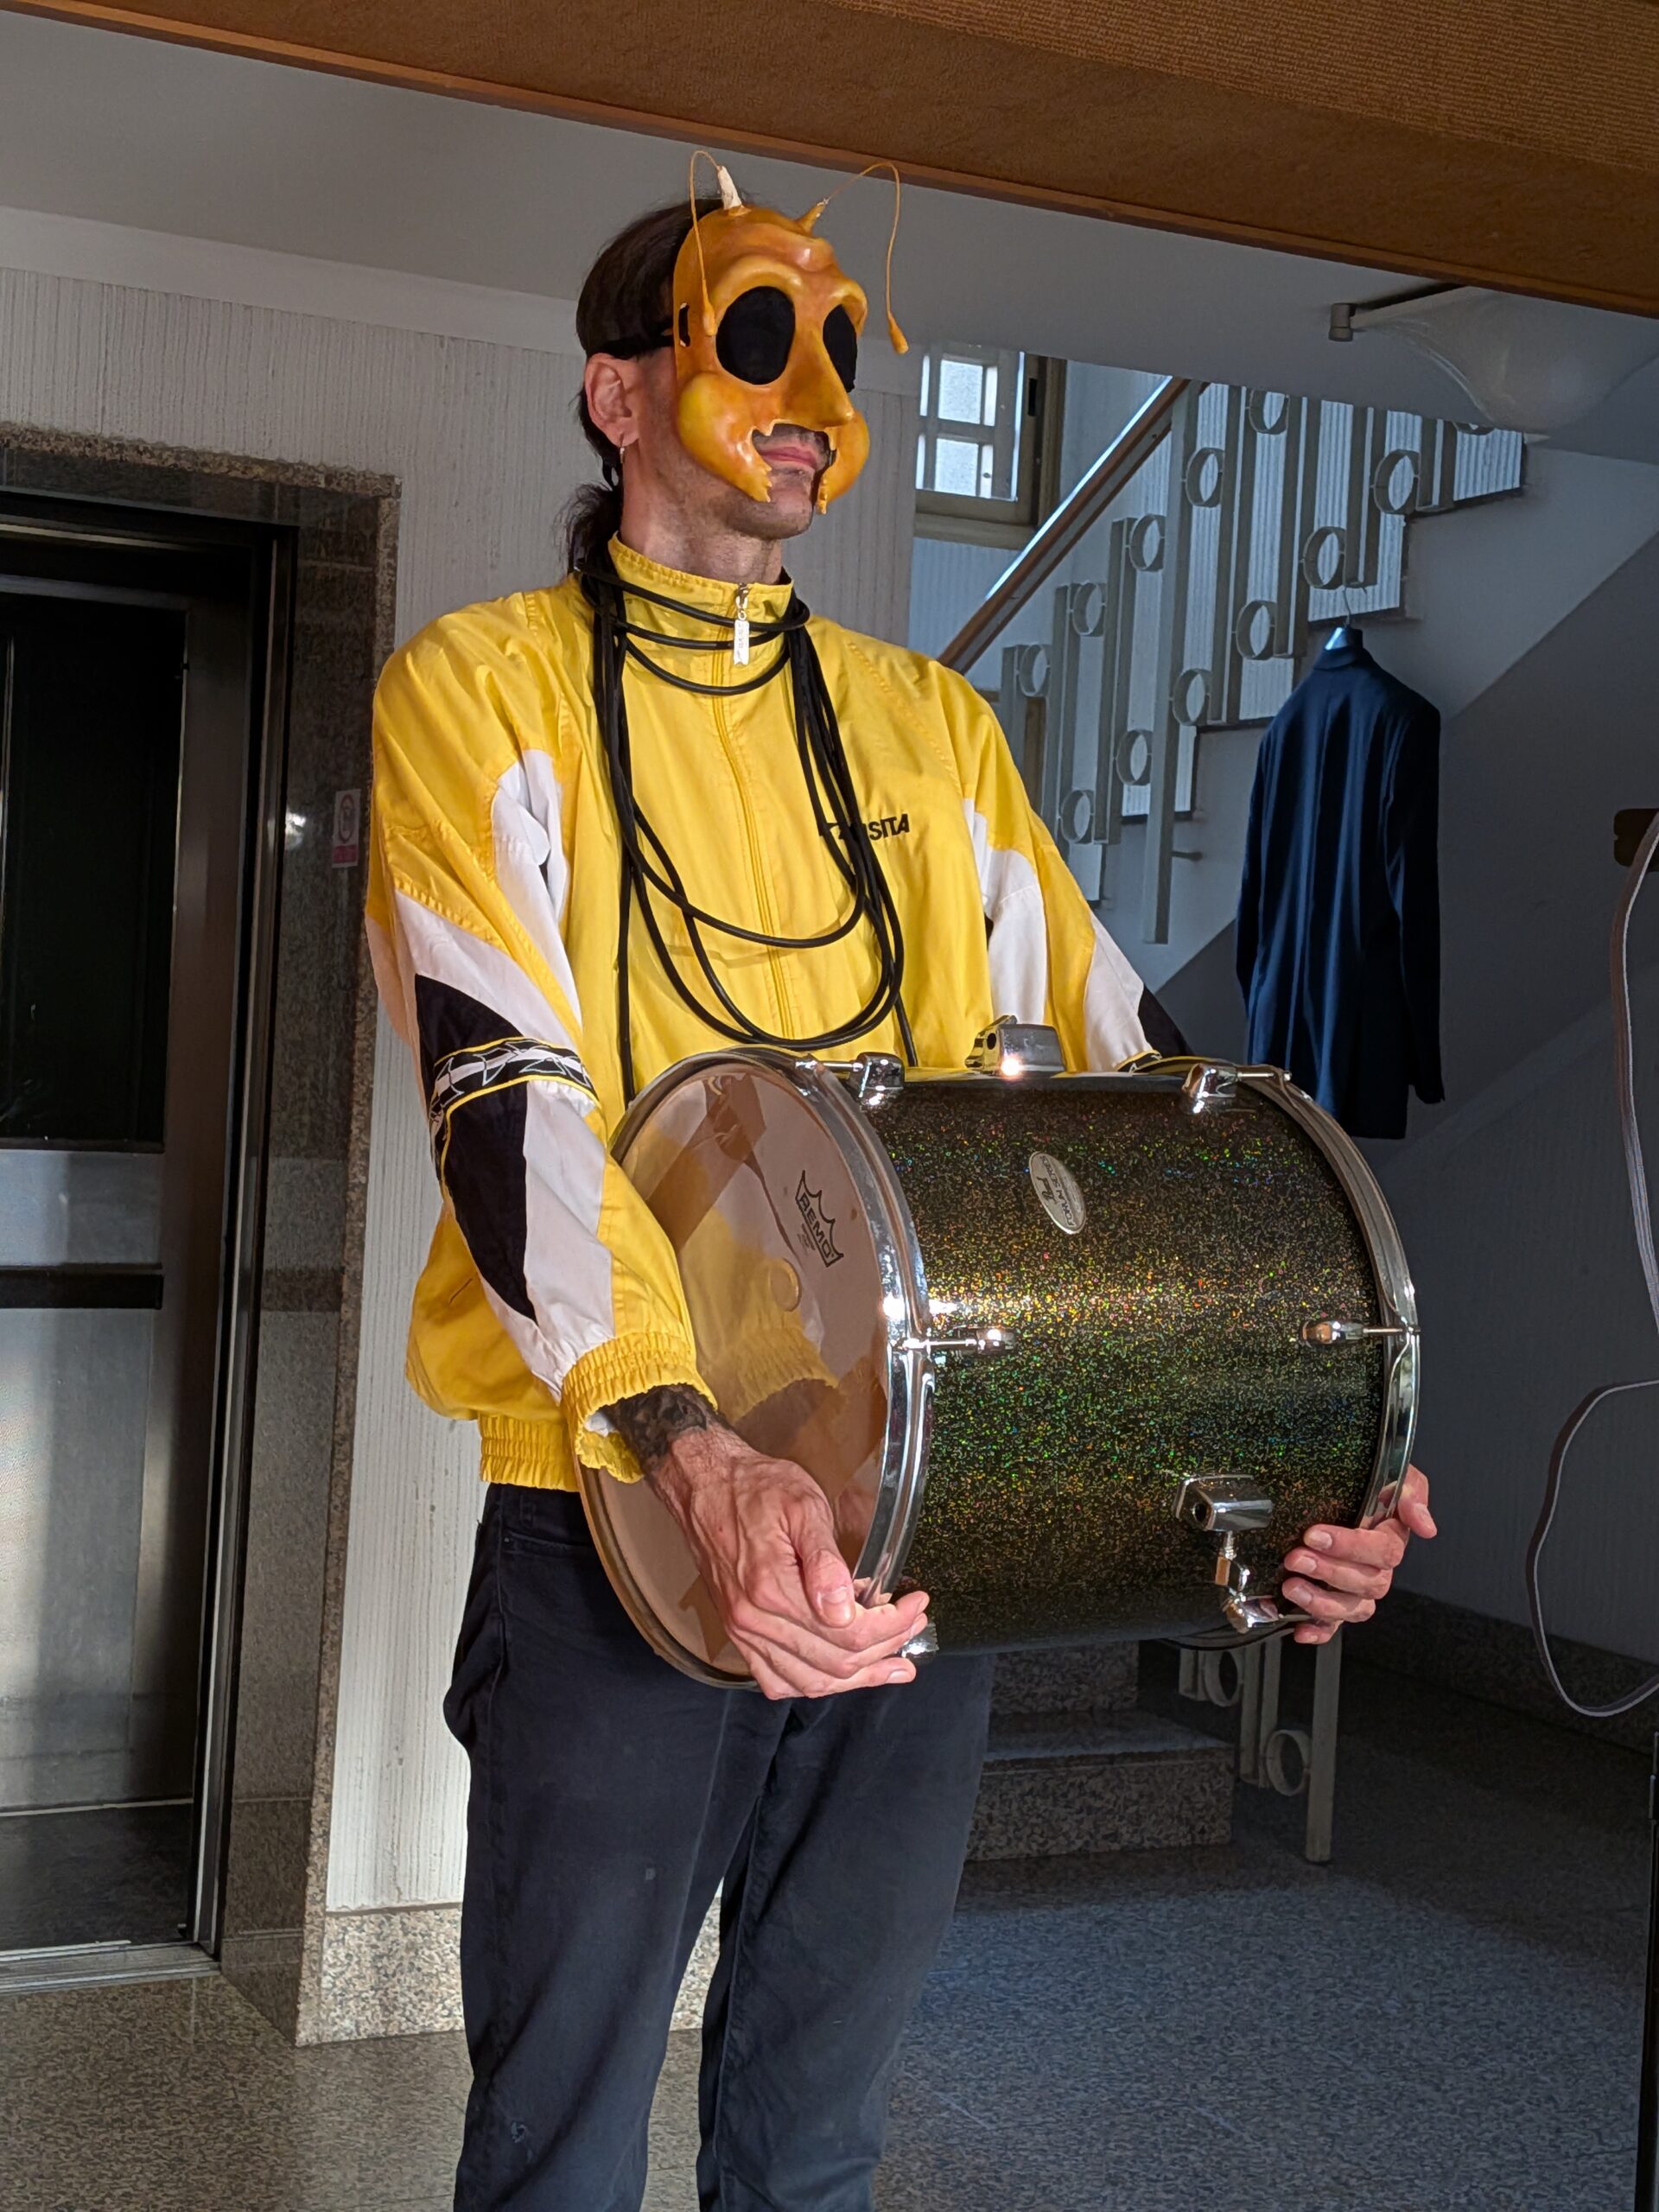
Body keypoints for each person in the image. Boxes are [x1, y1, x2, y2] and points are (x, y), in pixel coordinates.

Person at [367, 169, 1437, 2212]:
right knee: (559, 2145)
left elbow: (1145, 1100)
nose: (813, 398)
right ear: (617, 392)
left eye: (840, 352)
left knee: (816, 2138)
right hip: (616, 1511)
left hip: (921, 1527)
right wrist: (686, 1441)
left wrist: (1327, 1430)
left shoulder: (930, 728)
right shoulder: (479, 691)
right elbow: (504, 1091)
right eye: (758, 339)